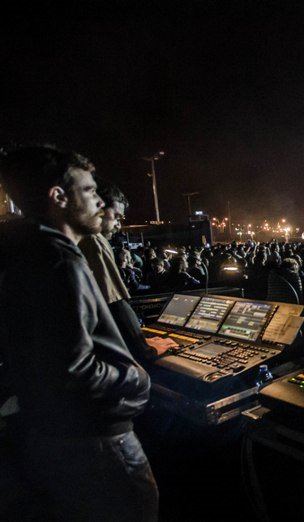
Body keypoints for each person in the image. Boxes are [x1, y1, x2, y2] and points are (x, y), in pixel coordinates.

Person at [0, 145, 157, 521]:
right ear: (58, 197)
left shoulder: (24, 252)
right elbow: (72, 370)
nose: (100, 201)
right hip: (98, 443)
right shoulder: (60, 262)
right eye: (88, 190)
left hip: (51, 435)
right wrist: (134, 377)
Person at [78, 180, 151, 361]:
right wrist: (144, 349)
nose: (119, 225)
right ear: (99, 207)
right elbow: (115, 303)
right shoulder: (93, 240)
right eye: (117, 217)